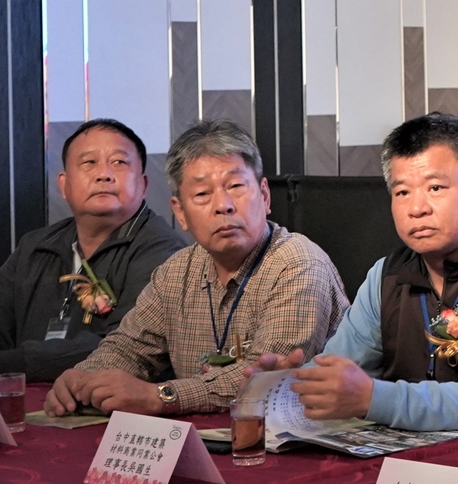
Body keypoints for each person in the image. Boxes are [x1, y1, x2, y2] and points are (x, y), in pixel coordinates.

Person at [258, 114, 458, 447]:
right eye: (402, 192)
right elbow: (344, 373)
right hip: (414, 465)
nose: (416, 208)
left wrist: (372, 398)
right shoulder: (386, 277)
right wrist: (291, 386)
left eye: (435, 188)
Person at [44, 120, 347, 416]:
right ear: (180, 212)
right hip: (203, 439)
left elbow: (266, 379)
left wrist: (161, 397)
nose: (223, 205)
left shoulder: (298, 263)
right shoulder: (176, 272)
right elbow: (128, 348)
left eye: (236, 186)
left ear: (265, 196)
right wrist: (83, 379)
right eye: (202, 194)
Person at [0, 119, 187, 384]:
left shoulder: (163, 251)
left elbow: (124, 346)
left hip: (111, 407)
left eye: (119, 162)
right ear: (64, 185)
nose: (104, 174)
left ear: (143, 184)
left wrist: (1, 364)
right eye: (89, 162)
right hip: (29, 399)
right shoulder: (38, 245)